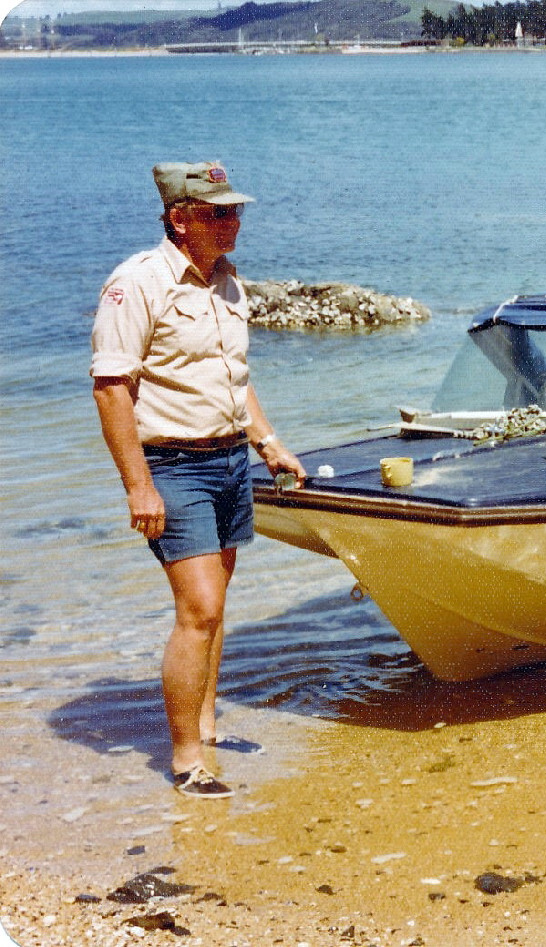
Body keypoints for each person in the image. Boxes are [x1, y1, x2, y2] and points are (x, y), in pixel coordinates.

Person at [91, 161, 305, 798]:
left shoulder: (228, 281)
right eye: (217, 213)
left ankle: (206, 729)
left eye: (235, 210)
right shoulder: (138, 283)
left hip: (231, 459)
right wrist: (139, 486)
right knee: (199, 608)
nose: (232, 221)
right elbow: (111, 389)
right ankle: (186, 762)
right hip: (173, 465)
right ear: (179, 219)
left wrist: (269, 444)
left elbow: (233, 378)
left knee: (215, 607)